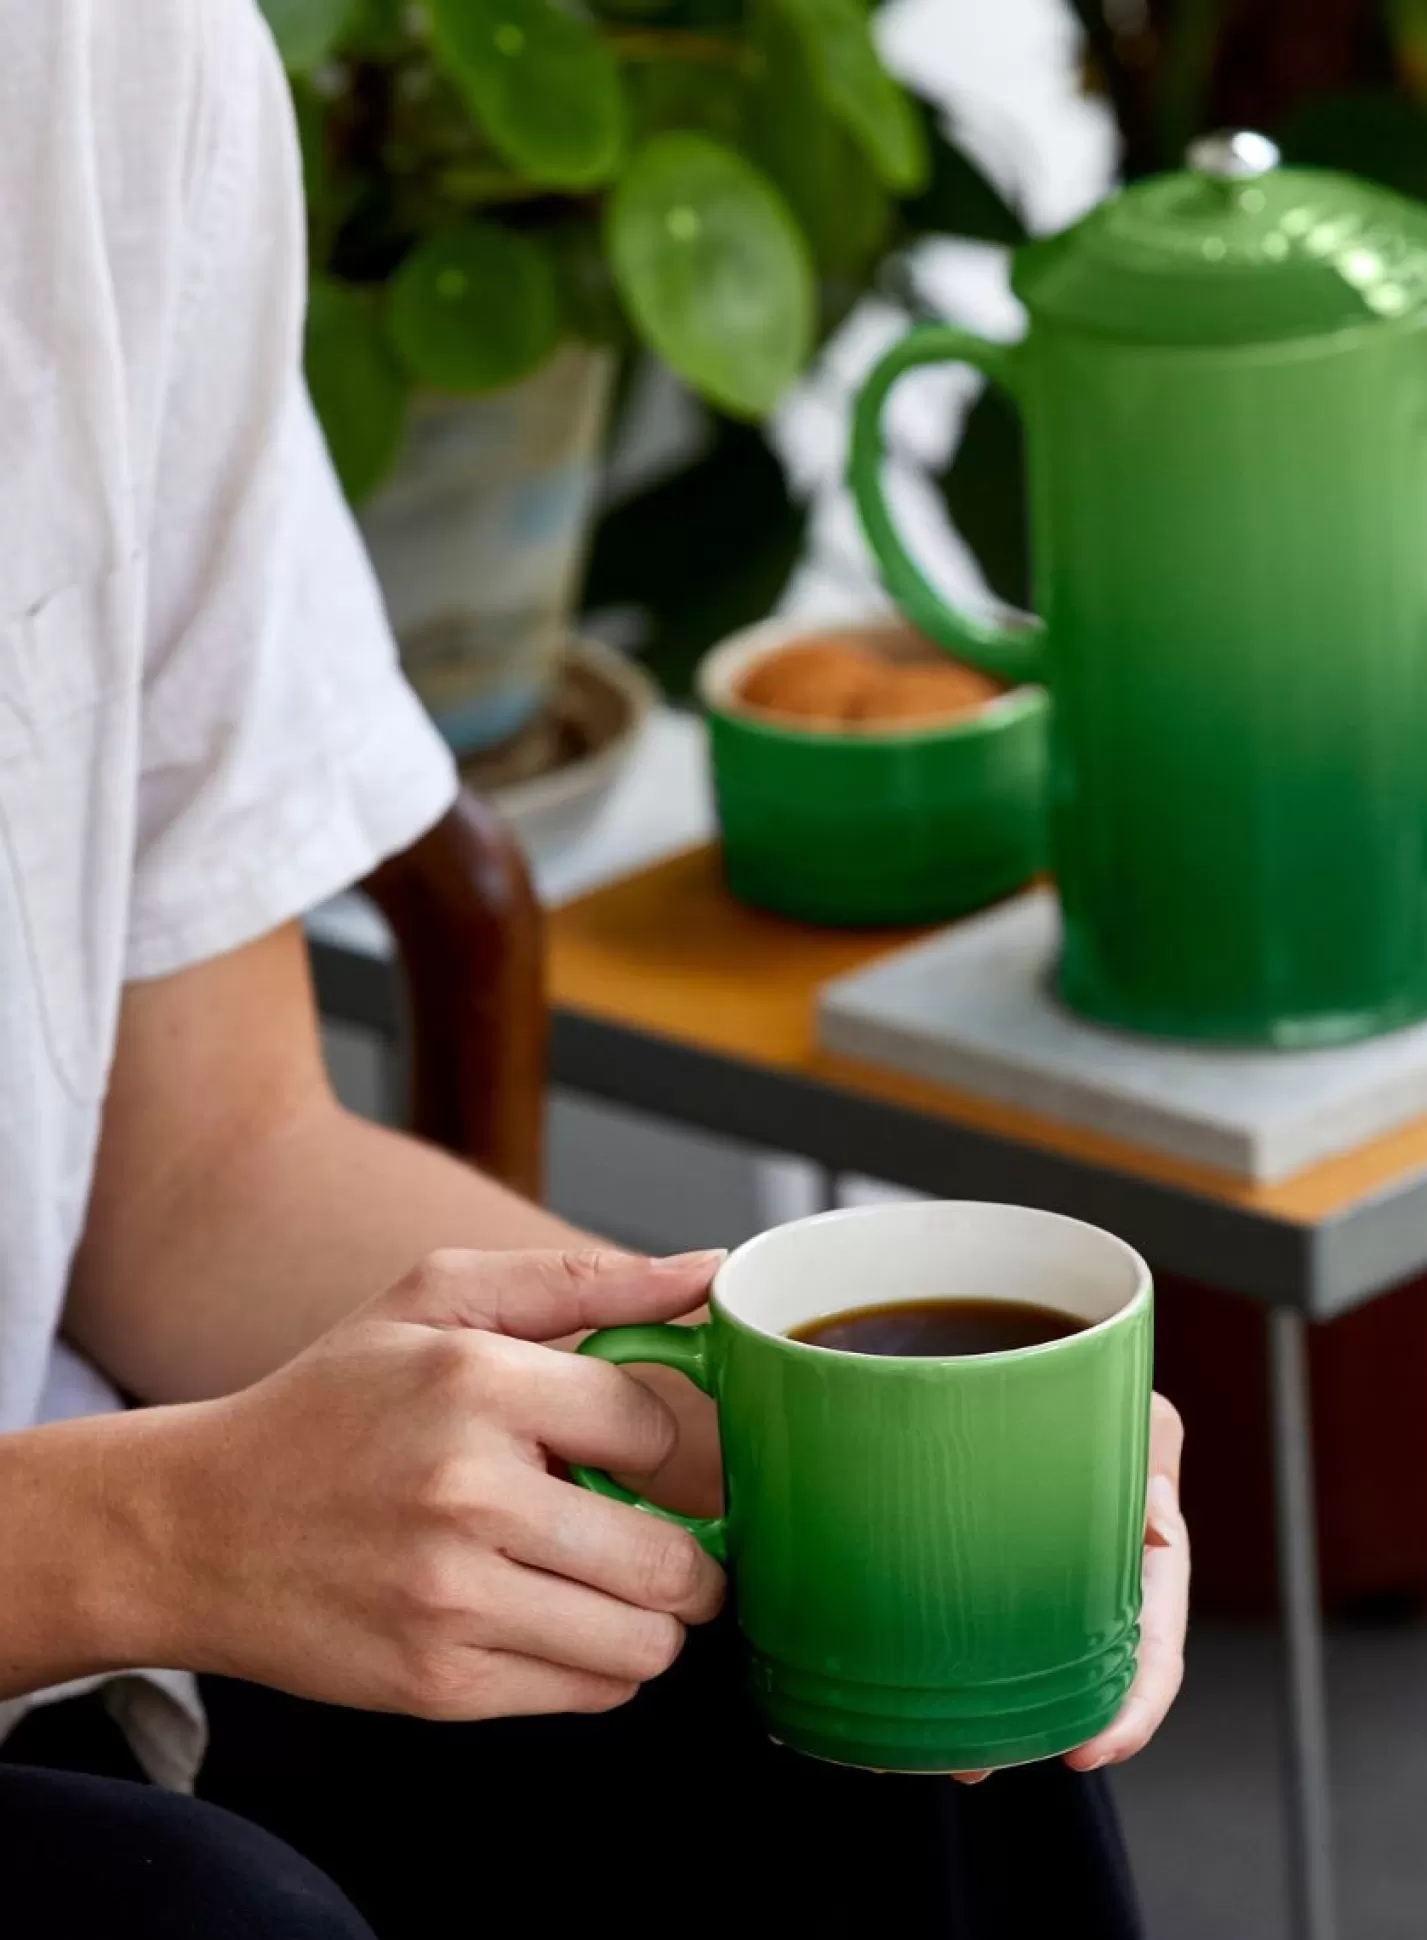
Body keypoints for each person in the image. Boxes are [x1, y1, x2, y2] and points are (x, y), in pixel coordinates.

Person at [0, 3, 1190, 1936]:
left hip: (99, 1596)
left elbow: (197, 1173)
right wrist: (147, 1531)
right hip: (70, 1577)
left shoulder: (98, 62)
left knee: (854, 1695)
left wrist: (782, 1412)